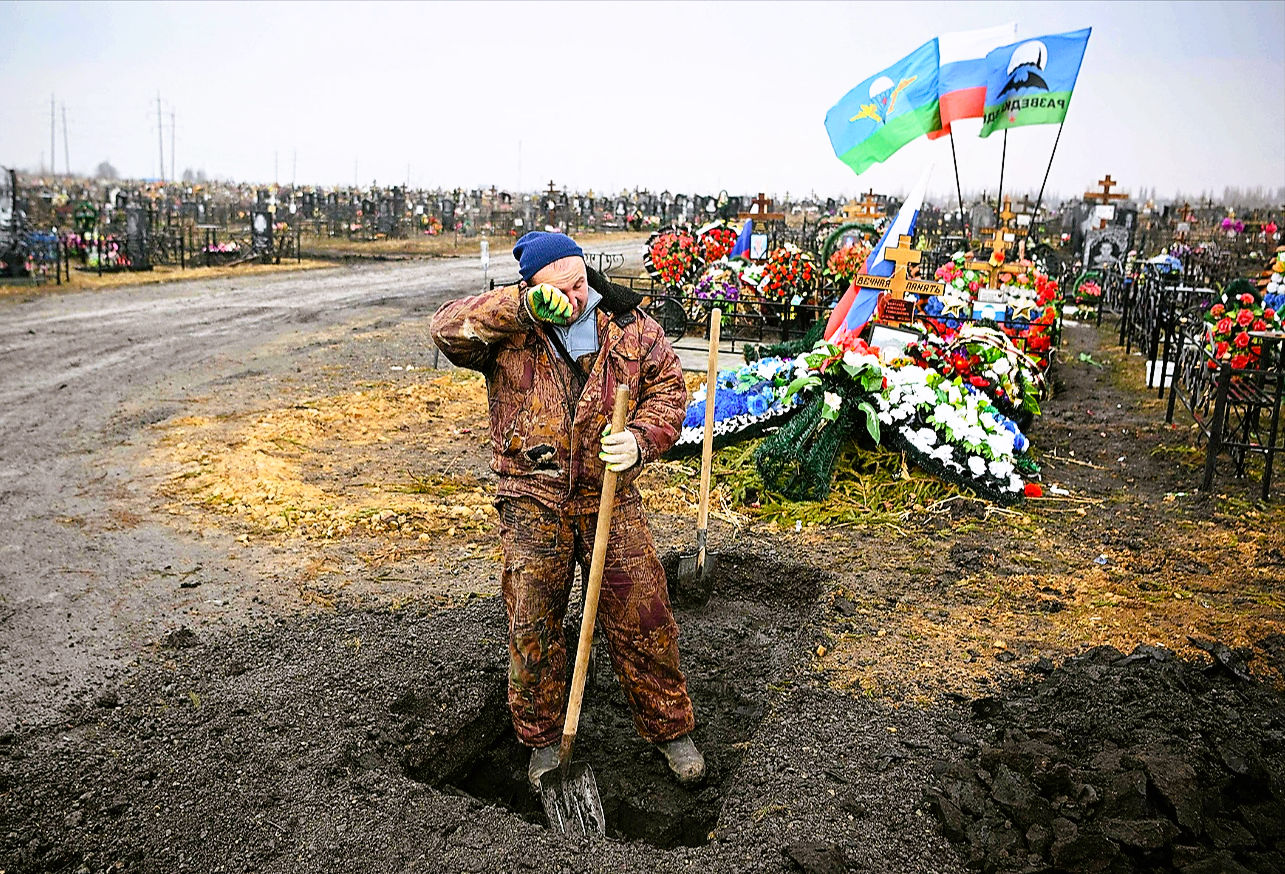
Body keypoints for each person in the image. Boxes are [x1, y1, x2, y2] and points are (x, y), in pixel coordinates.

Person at [429, 231, 704, 791]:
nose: (577, 296)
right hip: (534, 498)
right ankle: (541, 739)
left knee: (642, 614)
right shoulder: (506, 332)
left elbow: (670, 388)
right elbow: (444, 328)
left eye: (581, 281)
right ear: (532, 286)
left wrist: (644, 439)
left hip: (609, 495)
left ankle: (670, 731)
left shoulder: (629, 326)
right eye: (561, 289)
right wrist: (519, 307)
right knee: (533, 623)